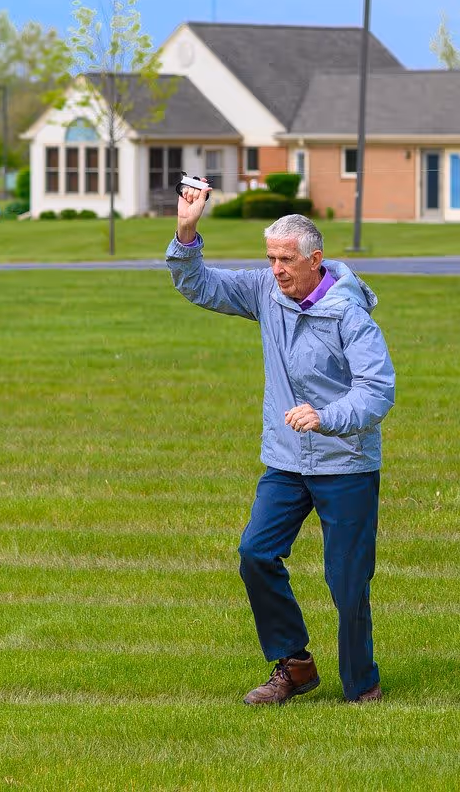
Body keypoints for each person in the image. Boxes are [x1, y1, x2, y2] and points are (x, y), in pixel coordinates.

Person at [167, 189, 395, 705]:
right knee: (255, 553)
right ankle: (294, 666)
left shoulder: (349, 316)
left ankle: (362, 685)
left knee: (347, 581)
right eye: (270, 259)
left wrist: (326, 417)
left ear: (315, 260)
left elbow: (378, 390)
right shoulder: (265, 294)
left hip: (346, 463)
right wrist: (186, 232)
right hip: (286, 462)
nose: (276, 270)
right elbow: (199, 285)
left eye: (286, 260)